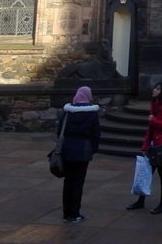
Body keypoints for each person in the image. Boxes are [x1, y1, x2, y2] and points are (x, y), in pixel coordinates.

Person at [126, 82, 162, 215]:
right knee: (147, 173)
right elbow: (151, 130)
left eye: (158, 89)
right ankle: (141, 200)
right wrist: (145, 145)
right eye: (154, 88)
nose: (154, 90)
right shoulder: (155, 105)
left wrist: (153, 121)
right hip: (154, 145)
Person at [58, 86, 101, 223]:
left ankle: (66, 213)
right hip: (83, 150)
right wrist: (92, 149)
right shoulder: (92, 113)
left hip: (67, 150)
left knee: (68, 182)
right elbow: (96, 134)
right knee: (78, 183)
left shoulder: (68, 112)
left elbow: (60, 131)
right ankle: (75, 213)